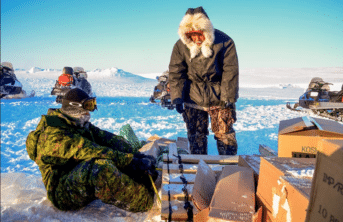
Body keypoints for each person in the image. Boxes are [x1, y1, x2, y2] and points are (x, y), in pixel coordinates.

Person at [26, 88, 158, 212]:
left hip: (78, 176)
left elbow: (106, 139)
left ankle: (141, 182)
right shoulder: (54, 136)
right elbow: (93, 151)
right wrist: (131, 162)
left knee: (114, 157)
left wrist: (136, 155)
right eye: (87, 106)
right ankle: (144, 201)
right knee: (100, 168)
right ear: (74, 108)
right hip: (62, 191)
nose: (89, 112)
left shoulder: (76, 123)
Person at [168, 6, 239, 155]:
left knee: (225, 135)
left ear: (206, 31)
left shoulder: (225, 42)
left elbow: (230, 71)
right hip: (192, 96)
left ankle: (229, 170)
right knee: (196, 136)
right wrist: (177, 97)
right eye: (191, 35)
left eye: (199, 34)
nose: (196, 39)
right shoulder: (180, 46)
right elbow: (176, 72)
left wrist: (227, 97)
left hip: (219, 96)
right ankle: (200, 170)